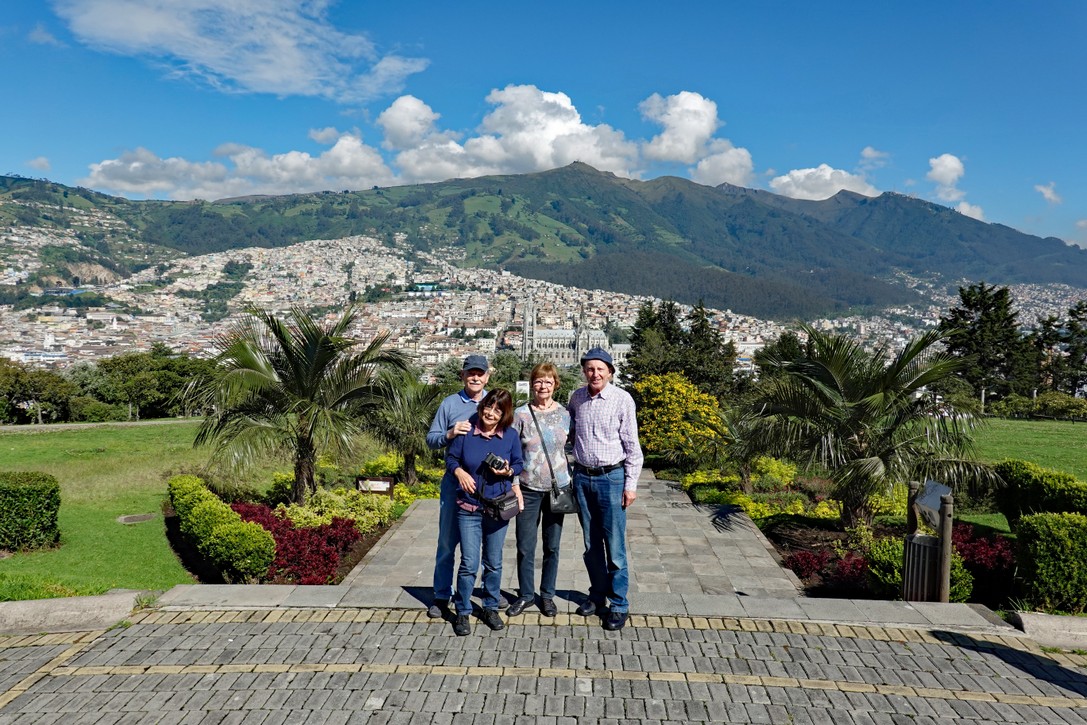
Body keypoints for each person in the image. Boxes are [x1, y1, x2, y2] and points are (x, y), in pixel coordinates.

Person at [568, 347, 643, 631]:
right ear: (584, 372)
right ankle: (597, 595)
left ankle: (619, 603)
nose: (595, 373)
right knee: (590, 545)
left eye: (601, 369)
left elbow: (633, 447)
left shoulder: (622, 399)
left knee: (615, 547)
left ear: (610, 372)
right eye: (590, 369)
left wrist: (631, 485)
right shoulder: (576, 398)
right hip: (582, 478)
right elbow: (570, 434)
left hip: (612, 478)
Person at [446, 388, 524, 636]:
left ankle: (490, 607)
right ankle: (463, 611)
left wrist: (508, 471)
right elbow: (451, 459)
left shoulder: (510, 436)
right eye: (487, 407)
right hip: (469, 507)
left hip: (497, 508)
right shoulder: (467, 431)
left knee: (494, 562)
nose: (490, 413)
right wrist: (459, 472)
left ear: (504, 414)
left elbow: (519, 464)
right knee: (469, 563)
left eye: (497, 410)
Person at [425, 354, 490, 619]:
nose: (475, 377)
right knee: (447, 542)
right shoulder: (450, 404)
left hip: (488, 487)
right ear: (462, 376)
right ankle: (442, 595)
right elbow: (431, 439)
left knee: (488, 543)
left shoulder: (493, 402)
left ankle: (488, 594)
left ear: (488, 376)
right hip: (454, 483)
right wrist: (450, 433)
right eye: (470, 373)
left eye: (480, 373)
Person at [507, 362, 572, 618]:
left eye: (548, 381)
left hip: (557, 490)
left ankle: (547, 595)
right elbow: (512, 450)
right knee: (525, 545)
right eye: (538, 381)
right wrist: (513, 483)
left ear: (556, 384)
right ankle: (525, 594)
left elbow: (574, 445)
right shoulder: (520, 414)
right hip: (527, 488)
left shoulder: (566, 414)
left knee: (552, 546)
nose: (543, 386)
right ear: (532, 385)